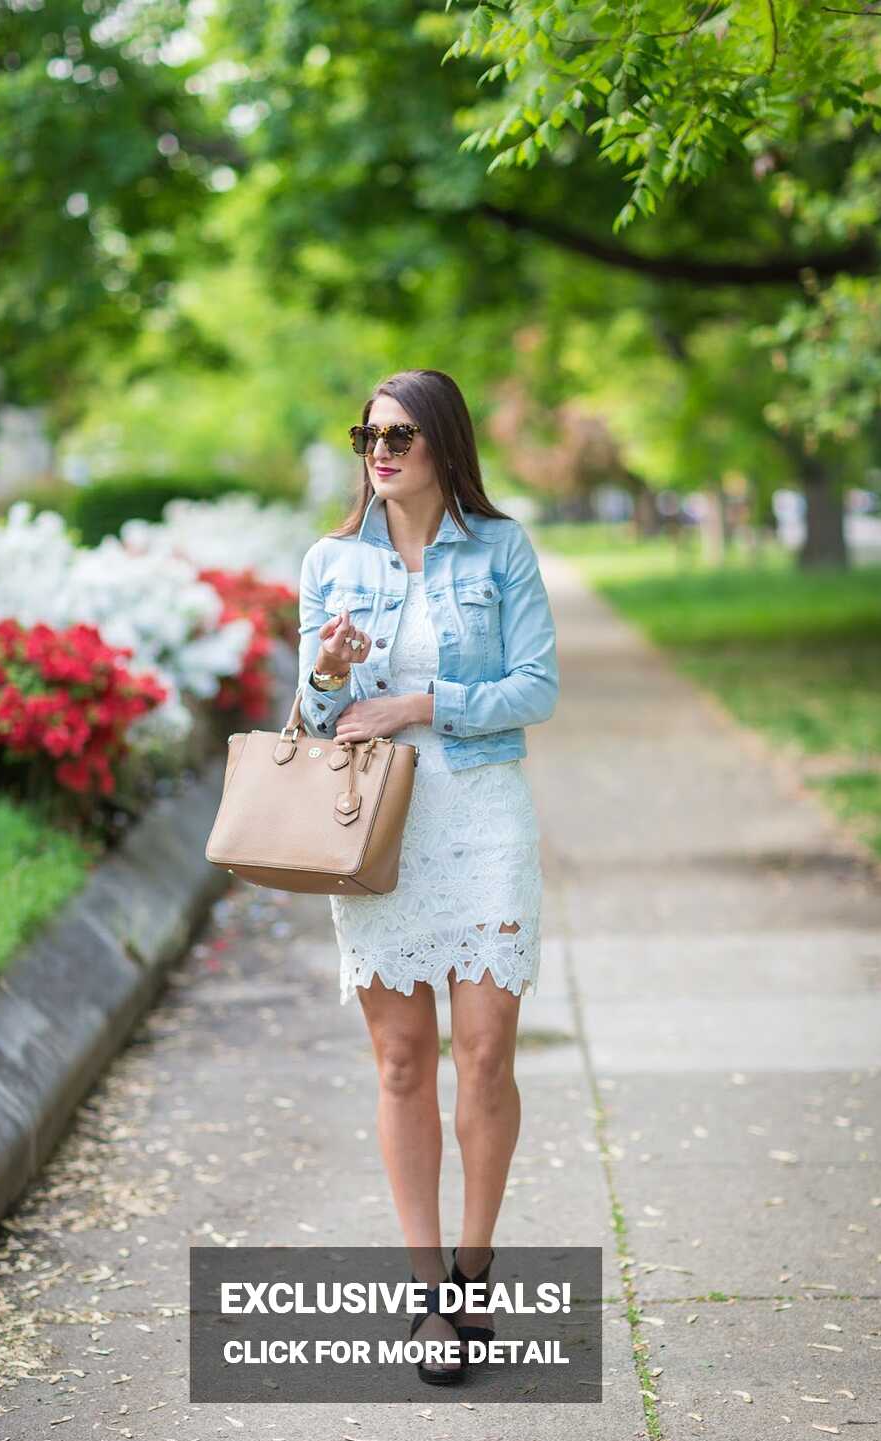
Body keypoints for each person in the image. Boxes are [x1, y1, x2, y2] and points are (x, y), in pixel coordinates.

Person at [294, 369, 559, 1383]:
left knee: (484, 1054)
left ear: (444, 442)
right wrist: (329, 671)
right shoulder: (330, 559)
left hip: (483, 816)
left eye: (401, 432)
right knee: (403, 1062)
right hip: (377, 828)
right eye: (369, 431)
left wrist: (418, 703)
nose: (381, 447)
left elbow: (535, 686)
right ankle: (428, 1296)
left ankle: (477, 1268)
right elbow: (316, 718)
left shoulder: (501, 549)